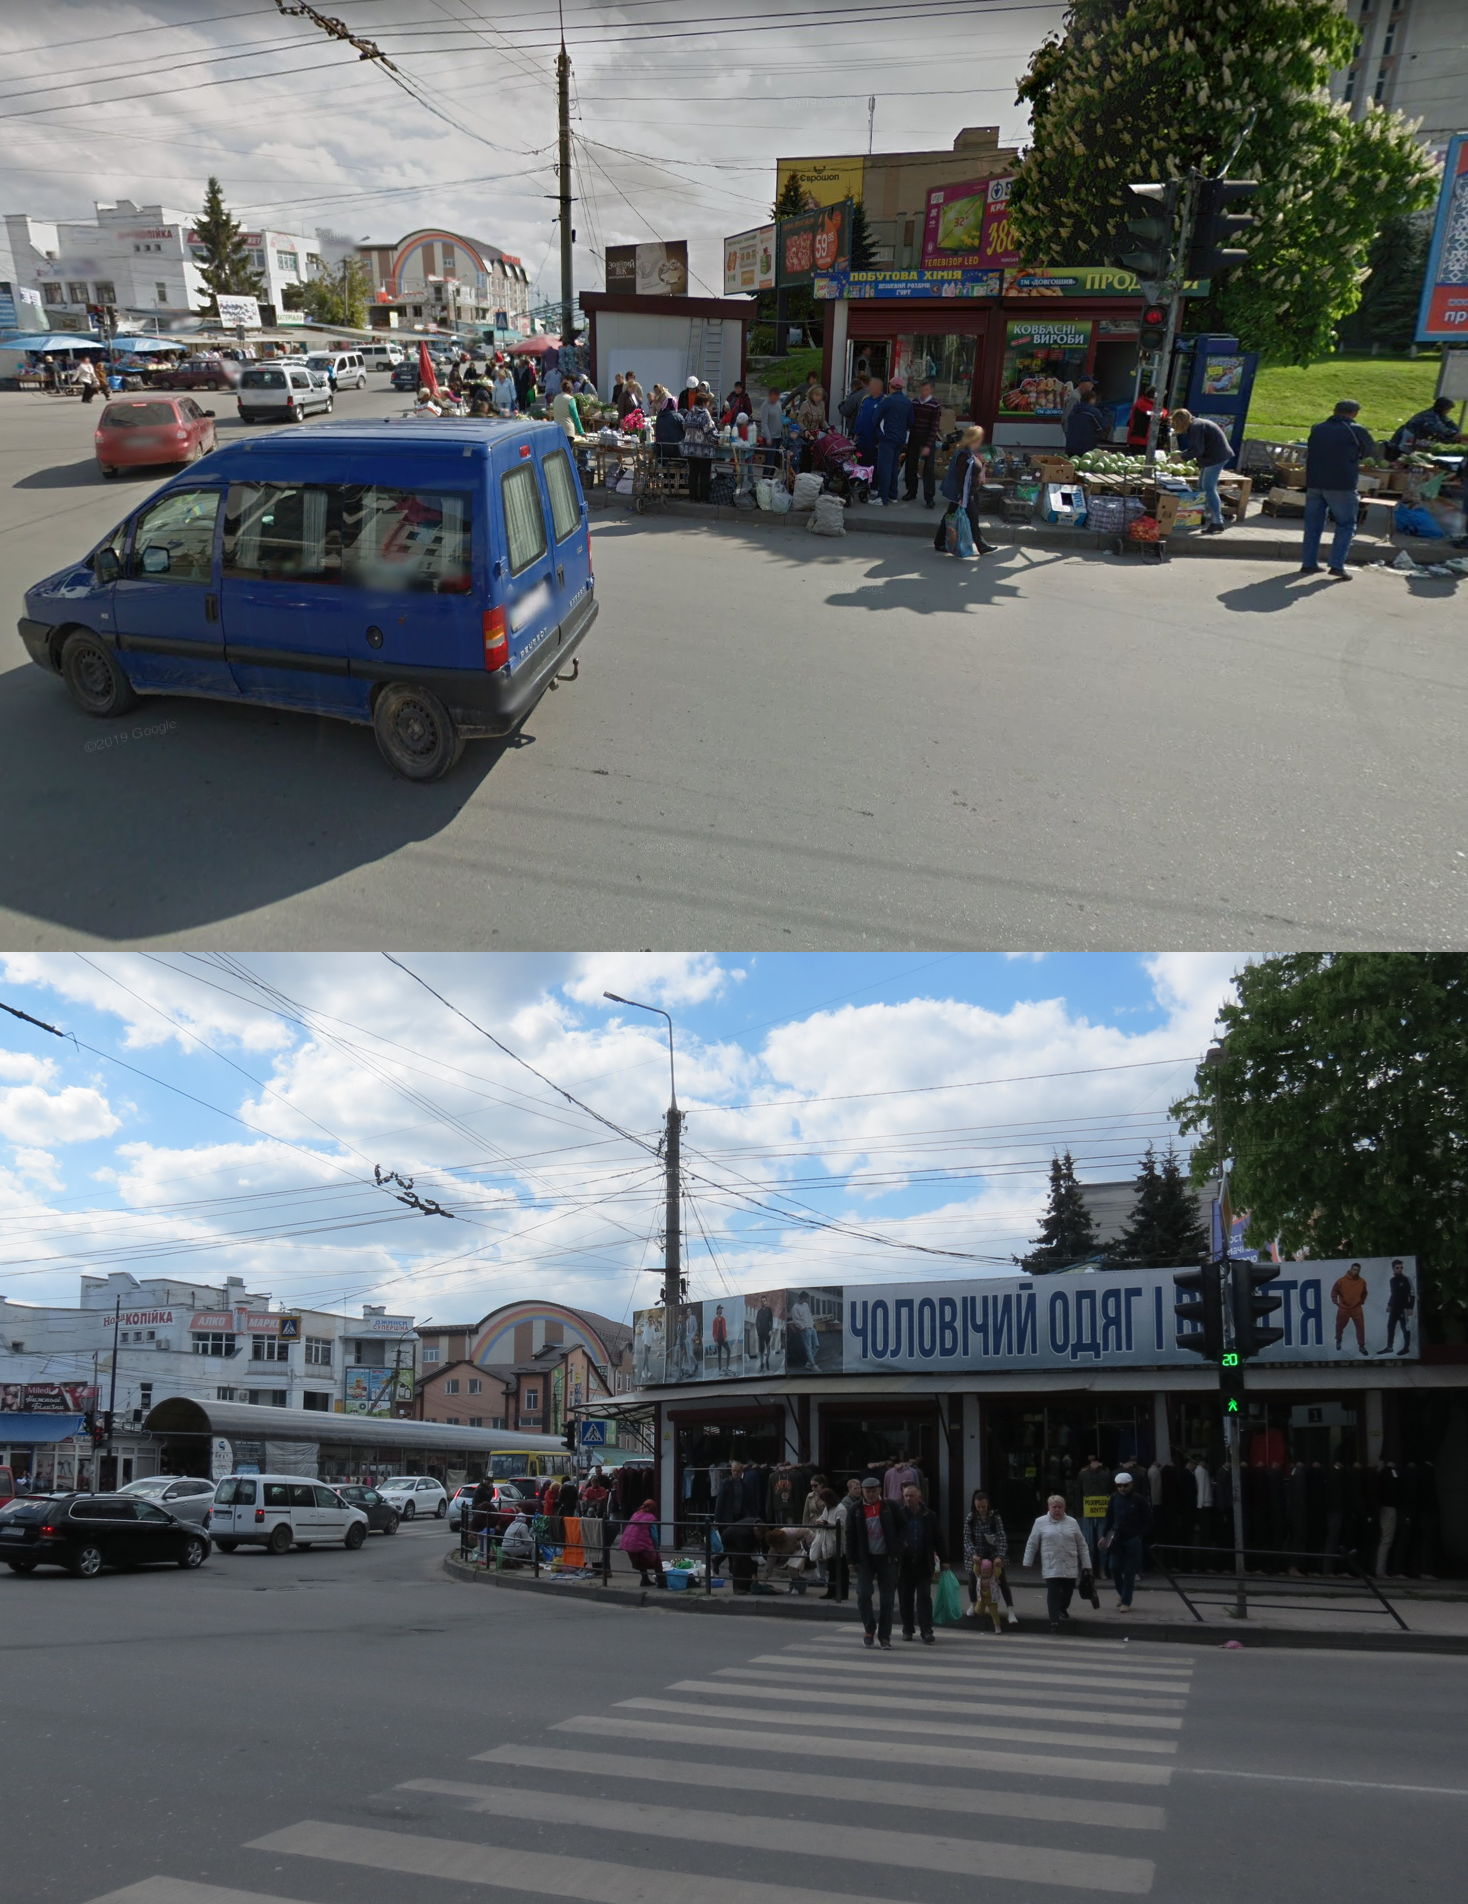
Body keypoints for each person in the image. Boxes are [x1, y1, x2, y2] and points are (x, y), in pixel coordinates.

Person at [1299, 398, 1375, 579]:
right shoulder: (1356, 430)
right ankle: (1336, 565)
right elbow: (1369, 451)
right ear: (1355, 413)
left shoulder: (1317, 428)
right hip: (1342, 484)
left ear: (1334, 411)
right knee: (1346, 524)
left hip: (1314, 482)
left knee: (1313, 525)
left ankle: (1308, 564)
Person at [848, 1474, 901, 1648]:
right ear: (862, 1491)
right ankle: (869, 1628)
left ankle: (885, 1636)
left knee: (887, 1599)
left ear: (879, 1491)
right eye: (867, 1491)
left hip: (886, 1558)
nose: (870, 1494)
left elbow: (902, 1527)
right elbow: (850, 1535)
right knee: (863, 1595)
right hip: (865, 1559)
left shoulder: (890, 1506)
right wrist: (851, 1560)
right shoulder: (855, 1509)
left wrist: (898, 1546)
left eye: (873, 1491)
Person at [1023, 1493, 1089, 1631]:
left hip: (1069, 1563)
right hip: (1051, 1564)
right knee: (1053, 1592)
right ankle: (1054, 1621)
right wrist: (1027, 1561)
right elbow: (1032, 1543)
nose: (1057, 1510)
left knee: (1068, 1592)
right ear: (1049, 1507)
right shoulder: (1040, 1522)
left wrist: (1086, 1564)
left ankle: (1062, 1607)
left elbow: (1082, 1544)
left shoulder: (1072, 1522)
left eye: (1060, 1507)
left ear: (1064, 1508)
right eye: (1054, 1507)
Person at [935, 423, 998, 556]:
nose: (981, 441)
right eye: (979, 438)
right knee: (972, 518)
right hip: (963, 493)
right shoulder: (965, 455)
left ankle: (939, 542)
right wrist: (962, 497)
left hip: (965, 492)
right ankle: (981, 546)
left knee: (950, 515)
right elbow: (963, 479)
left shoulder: (968, 451)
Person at [896, 1481, 947, 1643]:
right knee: (905, 1598)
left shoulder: (929, 1515)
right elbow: (892, 1535)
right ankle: (907, 1629)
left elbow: (938, 1538)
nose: (908, 1499)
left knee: (924, 1597)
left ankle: (926, 1631)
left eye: (911, 1496)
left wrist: (944, 1560)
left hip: (923, 1562)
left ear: (919, 1497)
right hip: (904, 1563)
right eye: (905, 1496)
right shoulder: (899, 1514)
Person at [1169, 407, 1233, 534]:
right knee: (1202, 486)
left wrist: (1181, 457)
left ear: (1181, 422)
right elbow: (1197, 448)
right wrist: (1182, 454)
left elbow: (1197, 450)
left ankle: (1217, 522)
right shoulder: (1197, 424)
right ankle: (1206, 515)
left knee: (1209, 488)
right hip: (1214, 456)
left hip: (1215, 458)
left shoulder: (1196, 427)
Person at [962, 1489, 1018, 1626]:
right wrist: (973, 1554)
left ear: (988, 1505)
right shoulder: (971, 1518)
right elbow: (967, 1538)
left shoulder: (995, 1517)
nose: (981, 1509)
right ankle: (973, 1604)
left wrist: (1000, 1556)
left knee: (1002, 1580)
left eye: (983, 1507)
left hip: (993, 1552)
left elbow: (1002, 1537)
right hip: (976, 1553)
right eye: (978, 1507)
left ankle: (1010, 1610)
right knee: (972, 1580)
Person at [1099, 1471, 1151, 1611]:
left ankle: (1126, 1601)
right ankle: (1121, 1593)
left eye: (1125, 1485)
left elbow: (1148, 1519)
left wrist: (1140, 1536)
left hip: (1132, 1539)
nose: (1122, 1488)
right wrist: (1104, 1535)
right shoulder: (1114, 1498)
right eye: (1119, 1485)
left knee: (1129, 1572)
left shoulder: (1139, 1499)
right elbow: (1109, 1518)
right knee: (1114, 1567)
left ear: (1131, 1485)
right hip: (1116, 1539)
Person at [873, 377, 914, 507]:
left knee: (884, 467)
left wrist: (878, 434)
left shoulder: (888, 401)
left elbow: (875, 418)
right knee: (894, 466)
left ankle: (883, 497)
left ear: (891, 386)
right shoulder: (907, 402)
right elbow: (911, 421)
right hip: (900, 438)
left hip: (887, 438)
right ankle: (892, 495)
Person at [903, 379, 943, 507]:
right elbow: (910, 420)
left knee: (928, 469)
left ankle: (929, 497)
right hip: (914, 436)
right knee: (911, 465)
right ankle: (911, 491)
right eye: (922, 390)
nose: (924, 392)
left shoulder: (935, 405)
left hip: (928, 437)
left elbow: (934, 426)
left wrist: (928, 445)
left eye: (926, 390)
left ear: (931, 390)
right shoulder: (915, 402)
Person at [1386, 396, 1465, 457]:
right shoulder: (1429, 416)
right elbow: (1439, 429)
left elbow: (1450, 423)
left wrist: (1458, 432)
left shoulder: (1440, 415)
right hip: (1408, 436)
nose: (1448, 411)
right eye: (1447, 409)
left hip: (1416, 438)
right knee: (1403, 455)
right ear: (1442, 408)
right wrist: (1453, 434)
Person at [620, 1498, 665, 1587]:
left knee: (640, 1559)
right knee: (656, 1560)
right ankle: (661, 1582)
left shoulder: (635, 1514)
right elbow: (654, 1536)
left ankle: (645, 1579)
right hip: (639, 1542)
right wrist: (656, 1549)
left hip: (628, 1543)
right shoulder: (651, 1518)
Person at [682, 391, 718, 501]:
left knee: (693, 473)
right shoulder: (704, 414)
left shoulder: (689, 414)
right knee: (704, 474)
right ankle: (703, 497)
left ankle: (693, 497)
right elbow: (710, 432)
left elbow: (684, 428)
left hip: (689, 449)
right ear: (704, 403)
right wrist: (719, 438)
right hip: (703, 450)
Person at [1331, 1261, 1370, 1354]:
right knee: (1339, 1325)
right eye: (1354, 1269)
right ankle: (1338, 1340)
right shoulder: (1341, 1281)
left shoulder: (1362, 1282)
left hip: (1356, 1308)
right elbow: (1334, 1292)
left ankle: (1361, 1346)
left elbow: (1364, 1293)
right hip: (1344, 1308)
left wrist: (1361, 1301)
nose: (1355, 1272)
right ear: (1350, 1270)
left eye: (1358, 1270)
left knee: (1360, 1327)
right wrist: (1337, 1303)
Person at [1063, 382, 1109, 457]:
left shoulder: (1073, 411)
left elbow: (1067, 425)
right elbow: (1102, 427)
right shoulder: (1093, 412)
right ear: (1091, 399)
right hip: (1086, 448)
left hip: (1070, 447)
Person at [1380, 1259, 1415, 1355]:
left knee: (1405, 1327)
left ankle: (1406, 1347)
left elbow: (1412, 1294)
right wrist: (1389, 1304)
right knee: (1390, 1326)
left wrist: (1410, 1307)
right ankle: (1389, 1347)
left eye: (1401, 1268)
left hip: (1404, 1308)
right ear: (1393, 1269)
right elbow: (1393, 1294)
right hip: (1395, 1307)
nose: (1399, 1269)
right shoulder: (1392, 1280)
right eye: (1397, 1268)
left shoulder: (1406, 1279)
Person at [853, 375, 884, 465]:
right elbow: (860, 416)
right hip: (861, 439)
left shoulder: (883, 402)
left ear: (878, 388)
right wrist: (856, 432)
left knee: (871, 465)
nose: (869, 388)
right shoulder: (866, 399)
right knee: (860, 463)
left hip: (873, 440)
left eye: (872, 386)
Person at [1126, 384, 1164, 452]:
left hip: (1144, 440)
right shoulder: (1143, 404)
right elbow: (1159, 414)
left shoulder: (1145, 403)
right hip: (1140, 440)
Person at [757, 387, 785, 473]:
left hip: (778, 436)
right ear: (770, 395)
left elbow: (780, 417)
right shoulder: (765, 405)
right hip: (770, 437)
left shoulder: (778, 403)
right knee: (769, 461)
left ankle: (771, 478)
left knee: (776, 462)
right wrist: (768, 437)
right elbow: (764, 423)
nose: (775, 399)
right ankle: (765, 478)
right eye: (774, 397)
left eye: (777, 397)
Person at [754, 1297, 775, 1372]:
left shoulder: (769, 1310)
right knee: (761, 1349)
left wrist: (770, 1330)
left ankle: (767, 1361)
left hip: (767, 1332)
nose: (763, 1302)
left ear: (766, 1301)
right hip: (761, 1333)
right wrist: (758, 1331)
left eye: (764, 1301)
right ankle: (762, 1364)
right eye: (762, 1301)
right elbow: (757, 1322)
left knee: (768, 1348)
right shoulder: (759, 1312)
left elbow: (771, 1321)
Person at [710, 1302, 731, 1372]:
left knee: (728, 1350)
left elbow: (724, 1328)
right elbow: (714, 1331)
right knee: (719, 1353)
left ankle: (727, 1366)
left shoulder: (723, 1319)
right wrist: (715, 1340)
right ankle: (719, 1368)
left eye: (721, 1309)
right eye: (720, 1309)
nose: (721, 1311)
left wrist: (725, 1336)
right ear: (718, 1310)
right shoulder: (715, 1320)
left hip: (723, 1338)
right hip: (718, 1339)